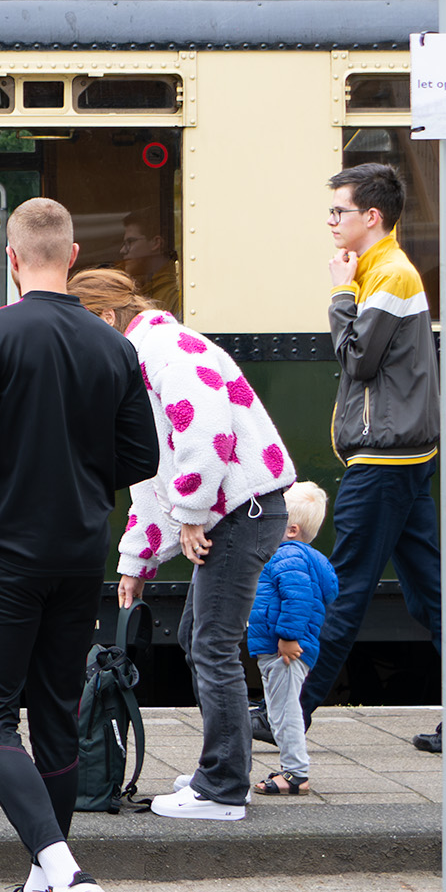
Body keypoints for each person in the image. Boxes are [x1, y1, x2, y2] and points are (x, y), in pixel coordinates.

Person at [0, 196, 156, 892]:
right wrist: (86, 482)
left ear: (14, 260)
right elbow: (143, 459)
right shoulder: (113, 344)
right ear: (72, 254)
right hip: (79, 555)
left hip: (3, 556)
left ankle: (65, 876)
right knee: (57, 719)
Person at [111, 301, 298, 822]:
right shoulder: (151, 352)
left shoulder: (163, 348)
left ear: (107, 319)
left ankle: (222, 789)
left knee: (212, 645)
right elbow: (156, 476)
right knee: (201, 640)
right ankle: (222, 770)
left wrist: (191, 512)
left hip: (242, 512)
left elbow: (203, 428)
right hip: (243, 511)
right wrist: (137, 562)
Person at [302, 166, 444, 754]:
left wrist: (339, 292)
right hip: (406, 454)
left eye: (340, 211)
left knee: (345, 588)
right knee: (432, 593)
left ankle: (292, 713)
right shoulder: (388, 269)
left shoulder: (385, 272)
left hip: (384, 460)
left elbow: (358, 360)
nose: (331, 221)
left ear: (372, 218)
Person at [246, 483, 336, 797]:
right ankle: (291, 769)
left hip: (284, 649)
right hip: (283, 648)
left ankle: (296, 774)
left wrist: (287, 637)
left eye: (272, 520)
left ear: (291, 529)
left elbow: (296, 600)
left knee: (284, 713)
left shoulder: (288, 557)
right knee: (280, 710)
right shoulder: (303, 557)